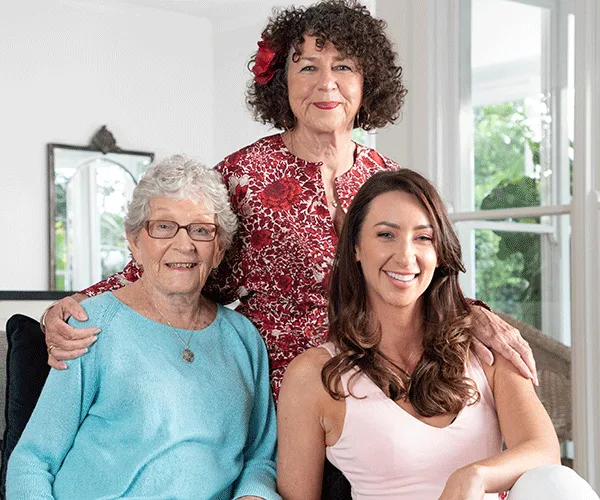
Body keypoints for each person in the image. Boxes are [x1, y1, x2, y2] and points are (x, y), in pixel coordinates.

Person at [42, 0, 536, 401]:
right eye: (308, 67)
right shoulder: (240, 175)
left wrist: (475, 314)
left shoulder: (390, 181)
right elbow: (171, 256)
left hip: (385, 382)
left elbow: (426, 274)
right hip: (275, 389)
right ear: (282, 82)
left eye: (343, 66)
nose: (327, 83)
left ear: (367, 84)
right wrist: (76, 306)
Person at [276, 169, 599, 500]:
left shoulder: (485, 349)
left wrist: (474, 476)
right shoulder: (313, 376)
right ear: (356, 247)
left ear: (440, 252)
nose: (405, 256)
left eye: (423, 238)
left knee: (555, 484)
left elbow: (544, 451)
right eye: (386, 235)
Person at [7, 156, 279, 500]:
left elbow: (261, 457)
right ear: (135, 241)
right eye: (163, 227)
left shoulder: (243, 339)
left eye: (201, 230)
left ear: (220, 249)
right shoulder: (91, 325)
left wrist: (253, 495)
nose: (184, 245)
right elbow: (33, 461)